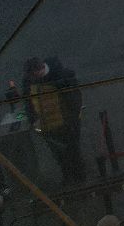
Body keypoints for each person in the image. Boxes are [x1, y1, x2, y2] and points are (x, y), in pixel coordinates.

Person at [22, 57, 83, 187]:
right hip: (47, 126)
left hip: (67, 123)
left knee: (73, 150)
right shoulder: (29, 80)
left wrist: (72, 120)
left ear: (40, 69)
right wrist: (33, 120)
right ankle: (67, 177)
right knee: (58, 154)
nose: (33, 79)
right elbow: (28, 103)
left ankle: (79, 177)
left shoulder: (62, 76)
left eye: (34, 75)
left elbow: (74, 99)